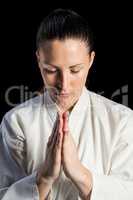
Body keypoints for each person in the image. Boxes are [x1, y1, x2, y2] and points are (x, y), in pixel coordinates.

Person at [0, 8, 133, 200]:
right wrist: (44, 177)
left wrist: (80, 173)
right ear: (39, 60)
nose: (64, 84)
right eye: (51, 70)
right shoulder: (16, 122)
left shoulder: (121, 121)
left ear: (90, 60)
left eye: (75, 70)